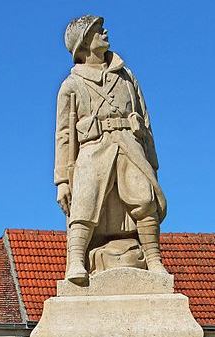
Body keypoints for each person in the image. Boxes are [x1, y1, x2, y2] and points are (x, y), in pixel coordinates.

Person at [55, 15, 167, 284]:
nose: (104, 32)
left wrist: (152, 160)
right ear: (83, 43)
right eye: (96, 30)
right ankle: (76, 263)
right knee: (84, 204)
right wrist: (61, 181)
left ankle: (154, 260)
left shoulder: (126, 76)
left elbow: (146, 119)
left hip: (129, 143)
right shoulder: (72, 85)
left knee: (144, 199)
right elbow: (64, 135)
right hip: (93, 148)